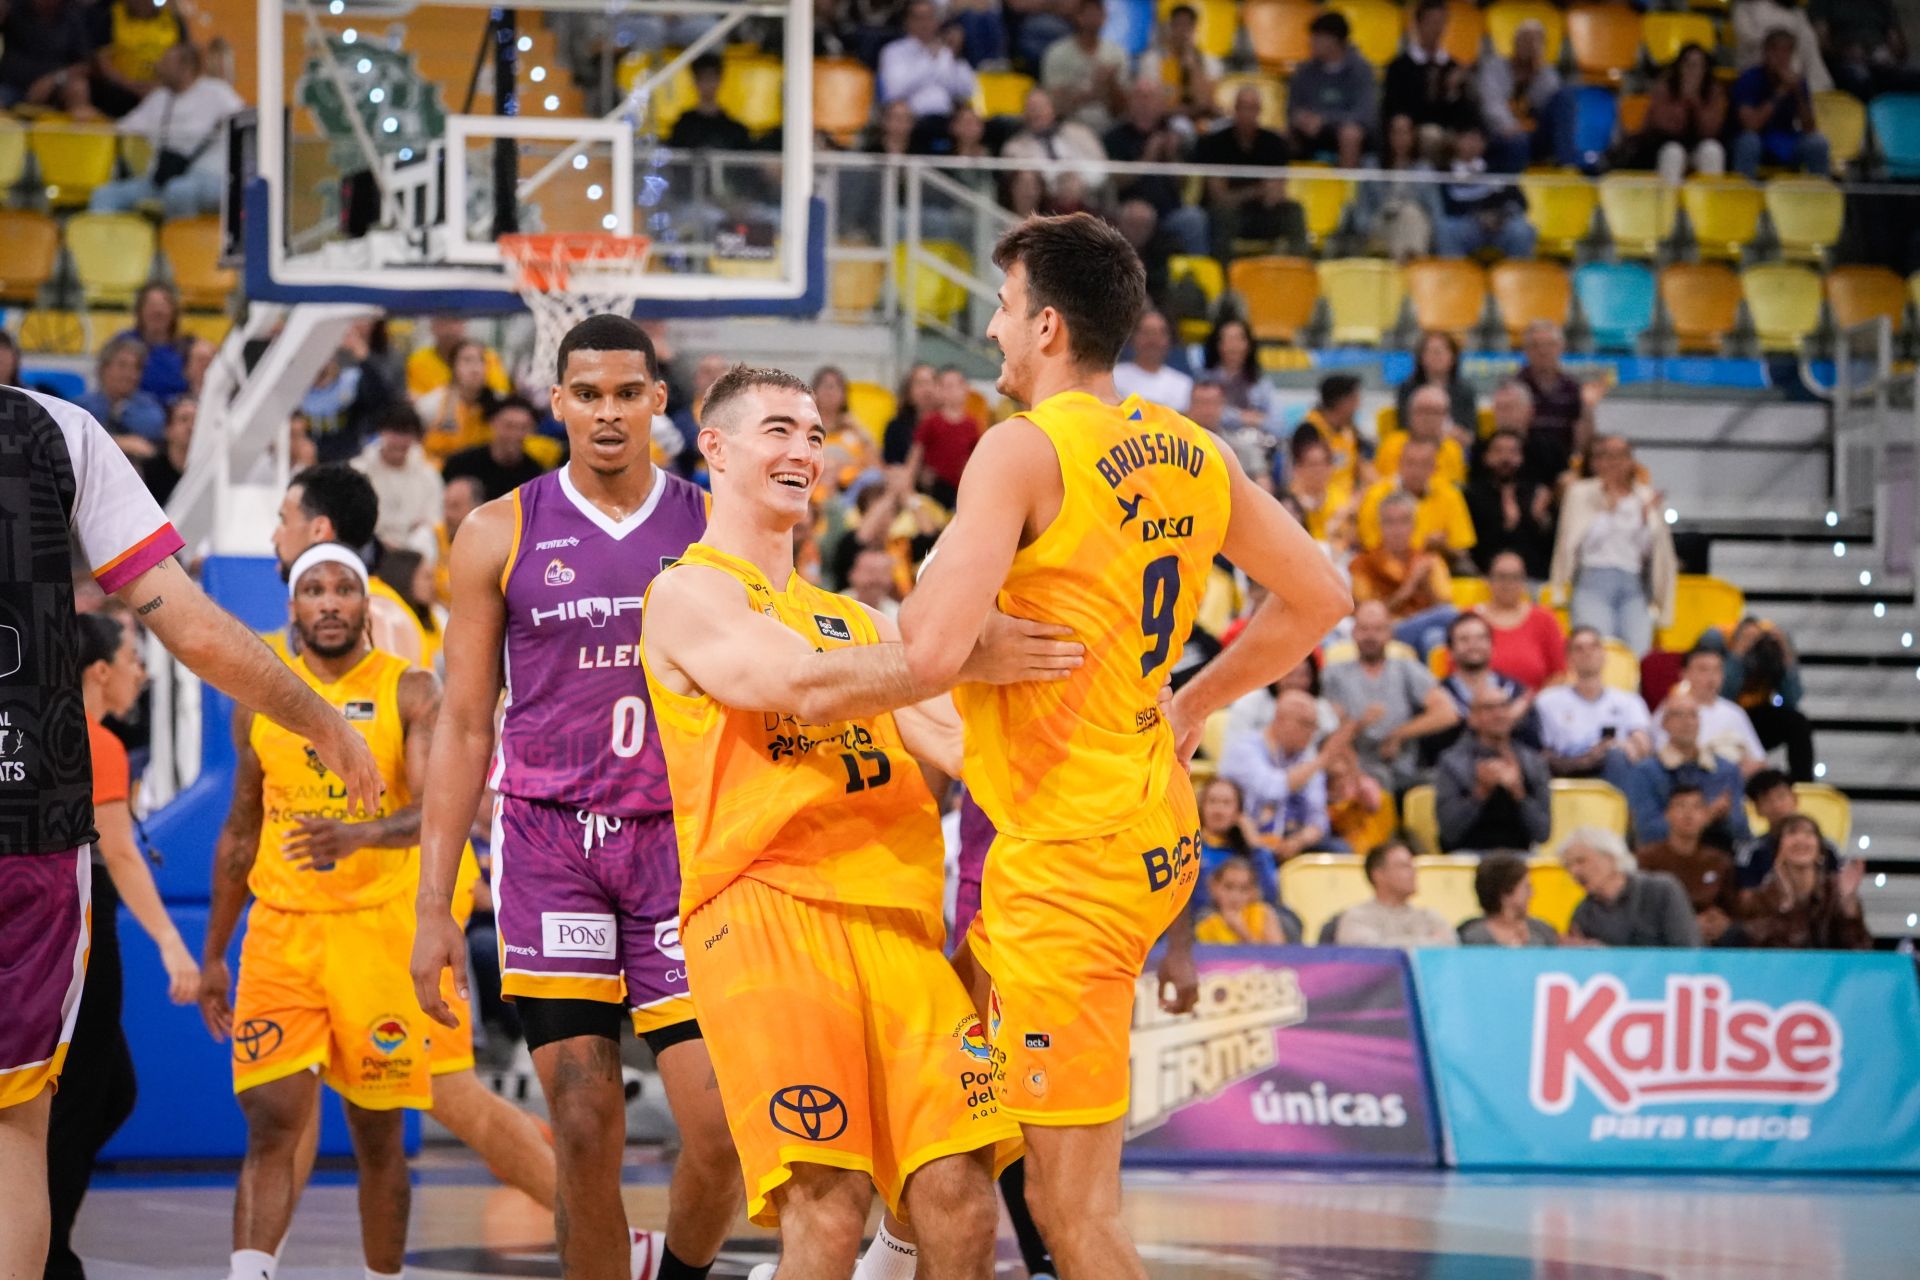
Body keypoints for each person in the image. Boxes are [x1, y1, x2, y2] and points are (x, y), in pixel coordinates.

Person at [896, 213, 1351, 1278]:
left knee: (1074, 1213)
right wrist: (1193, 701)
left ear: (1047, 325)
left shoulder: (1020, 447)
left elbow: (925, 650)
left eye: (1004, 310)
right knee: (970, 1103)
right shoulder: (1194, 447)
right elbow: (1318, 595)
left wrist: (922, 627)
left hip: (1074, 852)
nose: (993, 331)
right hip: (1141, 815)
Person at [641, 366, 1058, 1280]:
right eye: (780, 430)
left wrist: (1106, 721)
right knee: (826, 1211)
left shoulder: (861, 623)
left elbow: (968, 751)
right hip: (766, 915)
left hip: (899, 925)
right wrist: (958, 651)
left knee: (957, 1194)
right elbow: (794, 685)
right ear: (713, 448)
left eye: (818, 434)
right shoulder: (686, 594)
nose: (805, 450)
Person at [0, 384, 380, 1278]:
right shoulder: (52, 430)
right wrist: (320, 717)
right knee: (17, 1126)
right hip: (26, 822)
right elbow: (189, 626)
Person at [411, 316, 740, 1280]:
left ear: (659, 405)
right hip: (550, 848)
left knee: (721, 1133)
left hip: (682, 848)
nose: (606, 412)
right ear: (556, 401)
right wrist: (437, 905)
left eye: (626, 393)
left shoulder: (717, 525)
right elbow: (466, 725)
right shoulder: (496, 531)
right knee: (587, 1128)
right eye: (586, 394)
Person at [198, 547, 550, 1280]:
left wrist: (356, 835)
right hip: (283, 932)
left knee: (377, 1133)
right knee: (270, 1120)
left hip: (378, 935)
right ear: (292, 608)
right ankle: (249, 1270)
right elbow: (239, 830)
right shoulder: (260, 702)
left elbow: (437, 810)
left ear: (368, 606)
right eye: (314, 590)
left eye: (344, 590)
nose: (329, 602)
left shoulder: (409, 690)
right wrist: (212, 953)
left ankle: (380, 1276)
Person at [45, 612, 200, 1280]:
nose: (141, 671)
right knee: (82, 1103)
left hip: (48, 937)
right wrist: (172, 943)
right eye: (135, 657)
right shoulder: (97, 742)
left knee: (107, 1092)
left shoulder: (41, 737)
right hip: (84, 936)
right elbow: (121, 855)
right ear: (100, 672)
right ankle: (48, 1255)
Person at [1550, 434, 1675, 657]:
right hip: (1593, 581)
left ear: (1631, 461)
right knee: (1599, 650)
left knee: (1638, 653)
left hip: (1634, 585)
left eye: (1620, 456)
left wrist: (1644, 518)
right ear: (1597, 461)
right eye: (1607, 456)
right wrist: (1609, 511)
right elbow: (1576, 542)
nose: (1613, 462)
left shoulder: (1644, 496)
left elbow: (1649, 551)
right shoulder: (1580, 493)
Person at [88, 41, 242, 219]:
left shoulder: (217, 93)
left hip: (209, 177)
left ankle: (182, 244)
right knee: (105, 195)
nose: (159, 67)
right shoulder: (159, 98)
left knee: (179, 191)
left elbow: (244, 122)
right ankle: (107, 245)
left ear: (187, 67)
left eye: (166, 63)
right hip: (163, 177)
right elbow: (123, 128)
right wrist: (94, 116)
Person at [1323, 601, 1461, 792]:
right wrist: (1358, 725)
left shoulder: (1406, 668)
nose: (1370, 636)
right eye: (1364, 629)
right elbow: (1327, 731)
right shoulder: (1333, 674)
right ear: (1353, 632)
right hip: (1352, 772)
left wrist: (1398, 734)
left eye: (1378, 629)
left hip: (1403, 771)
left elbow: (1447, 713)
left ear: (1390, 633)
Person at [1220, 689, 1352, 863]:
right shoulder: (1245, 748)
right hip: (1246, 835)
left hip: (1291, 837)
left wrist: (1298, 841)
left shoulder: (1306, 758)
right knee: (1262, 856)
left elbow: (1318, 818)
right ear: (1280, 719)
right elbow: (1272, 788)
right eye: (1306, 724)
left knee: (1340, 850)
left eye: (1315, 725)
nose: (1312, 732)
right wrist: (1323, 759)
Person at [1434, 683, 1552, 854]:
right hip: (1468, 855)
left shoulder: (1533, 762)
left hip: (1518, 855)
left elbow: (1543, 833)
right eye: (1489, 708)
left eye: (1504, 706)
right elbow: (1449, 831)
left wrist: (1519, 794)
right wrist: (1480, 793)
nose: (1499, 714)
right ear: (1472, 718)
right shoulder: (1452, 763)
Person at [1628, 693, 1751, 850]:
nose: (1687, 722)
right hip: (1664, 860)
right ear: (1664, 723)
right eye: (1678, 715)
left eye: (1693, 715)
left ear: (1699, 722)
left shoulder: (1726, 769)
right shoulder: (1646, 771)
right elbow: (1647, 832)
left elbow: (1742, 830)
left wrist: (1725, 817)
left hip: (1720, 856)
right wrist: (1706, 816)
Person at [1536, 625, 1654, 786]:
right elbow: (1541, 754)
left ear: (1604, 655)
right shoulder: (1547, 701)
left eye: (1594, 646)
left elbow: (1643, 745)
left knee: (1618, 758)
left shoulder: (1629, 701)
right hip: (1570, 775)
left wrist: (1622, 747)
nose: (1587, 652)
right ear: (1568, 659)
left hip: (1616, 770)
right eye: (1579, 648)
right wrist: (1587, 760)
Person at [1194, 86, 1303, 258]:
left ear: (1259, 111)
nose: (1248, 113)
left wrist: (1260, 194)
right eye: (1243, 107)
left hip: (1263, 215)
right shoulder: (1215, 144)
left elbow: (1276, 192)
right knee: (1222, 216)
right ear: (1235, 110)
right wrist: (1257, 191)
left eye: (1253, 108)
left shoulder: (1274, 143)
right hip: (1231, 217)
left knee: (1294, 211)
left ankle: (1299, 270)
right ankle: (1223, 277)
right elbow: (1220, 197)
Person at [1105, 80, 1210, 257]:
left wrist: (1171, 156)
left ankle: (1195, 276)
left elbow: (1184, 184)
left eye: (1151, 98)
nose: (1144, 103)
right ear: (1130, 102)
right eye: (1139, 97)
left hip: (1167, 211)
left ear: (1162, 104)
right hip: (1128, 208)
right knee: (1138, 216)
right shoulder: (1115, 136)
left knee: (1194, 218)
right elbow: (1116, 182)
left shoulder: (1173, 134)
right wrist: (1147, 158)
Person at [1736, 814, 1871, 950]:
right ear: (1778, 851)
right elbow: (1766, 952)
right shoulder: (1761, 898)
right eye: (1792, 833)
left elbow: (1859, 949)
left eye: (1809, 834)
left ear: (1820, 853)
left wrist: (1848, 907)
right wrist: (1786, 905)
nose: (1800, 840)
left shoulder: (1835, 891)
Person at [1348, 491, 1457, 658]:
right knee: (1450, 615)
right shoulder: (1363, 564)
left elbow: (1443, 602)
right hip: (1385, 632)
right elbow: (1369, 616)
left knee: (1434, 637)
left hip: (1422, 628)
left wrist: (1426, 584)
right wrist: (1409, 587)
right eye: (1389, 522)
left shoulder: (1429, 561)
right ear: (1380, 526)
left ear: (1413, 525)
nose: (1397, 530)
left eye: (1403, 522)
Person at [1704, 617, 1814, 781]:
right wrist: (1738, 654)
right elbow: (1719, 696)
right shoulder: (1716, 638)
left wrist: (1785, 654)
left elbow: (1792, 699)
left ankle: (1803, 785)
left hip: (1755, 717)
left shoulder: (1776, 640)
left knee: (1797, 722)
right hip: (1719, 717)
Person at [1635, 785, 1741, 945]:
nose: (1688, 814)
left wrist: (1721, 922)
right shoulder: (1646, 858)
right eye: (1680, 806)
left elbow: (1731, 908)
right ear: (1667, 814)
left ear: (1706, 815)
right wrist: (1686, 924)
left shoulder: (1720, 861)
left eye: (1696, 807)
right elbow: (1640, 911)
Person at [1561, 828, 1701, 947]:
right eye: (1568, 866)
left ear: (1610, 858)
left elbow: (1687, 949)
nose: (1573, 872)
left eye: (1581, 861)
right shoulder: (1583, 914)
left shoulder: (1661, 891)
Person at [1355, 435, 1477, 564]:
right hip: (1386, 570)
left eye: (1424, 464)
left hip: (1439, 568)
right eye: (1411, 463)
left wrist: (1444, 547)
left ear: (1434, 468)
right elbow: (1370, 546)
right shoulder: (1376, 495)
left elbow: (1462, 549)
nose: (1416, 471)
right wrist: (1421, 550)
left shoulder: (1449, 494)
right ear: (1400, 463)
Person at [1381, 0, 1480, 155]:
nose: (1437, 28)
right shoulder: (1400, 66)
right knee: (1422, 132)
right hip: (1413, 129)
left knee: (1471, 139)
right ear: (1418, 25)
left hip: (1448, 129)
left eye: (1441, 23)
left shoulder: (1453, 67)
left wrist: (1451, 92)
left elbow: (1464, 115)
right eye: (1431, 22)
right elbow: (1393, 108)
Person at [1731, 27, 1832, 179]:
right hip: (1758, 140)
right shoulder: (1749, 78)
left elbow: (1809, 128)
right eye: (1776, 51)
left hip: (1785, 139)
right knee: (1749, 141)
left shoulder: (1797, 82)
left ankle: (1820, 197)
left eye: (1786, 52)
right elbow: (1751, 125)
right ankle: (1743, 195)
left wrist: (1798, 93)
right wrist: (1781, 92)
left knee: (1817, 143)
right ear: (1765, 53)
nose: (1781, 57)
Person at [1620, 44, 1729, 184]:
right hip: (1662, 145)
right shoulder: (1664, 87)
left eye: (1697, 65)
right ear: (1679, 66)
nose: (1692, 70)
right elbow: (1662, 125)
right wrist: (1683, 101)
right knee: (1674, 152)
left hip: (1697, 145)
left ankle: (1709, 202)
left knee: (1712, 150)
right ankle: (1669, 203)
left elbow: (1712, 129)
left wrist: (1696, 102)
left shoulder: (1714, 91)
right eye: (1688, 64)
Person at [1478, 18, 1574, 171]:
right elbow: (1491, 104)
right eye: (1526, 39)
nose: (1530, 45)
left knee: (1565, 96)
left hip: (1534, 136)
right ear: (1515, 42)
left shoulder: (1546, 74)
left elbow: (1551, 108)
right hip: (1502, 134)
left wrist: (1535, 73)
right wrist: (1510, 126)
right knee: (1517, 141)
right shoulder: (1495, 68)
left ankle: (1568, 164)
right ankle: (1513, 192)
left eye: (1536, 41)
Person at [1656, 645, 1767, 774]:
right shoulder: (1671, 708)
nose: (1711, 677)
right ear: (1684, 673)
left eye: (1717, 670)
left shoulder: (1734, 713)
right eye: (1703, 670)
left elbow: (1759, 760)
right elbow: (1662, 756)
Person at [352, 404, 445, 557]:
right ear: (381, 432)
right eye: (395, 432)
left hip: (412, 552)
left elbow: (433, 520)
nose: (400, 441)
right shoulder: (359, 471)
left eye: (406, 433)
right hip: (372, 546)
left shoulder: (429, 474)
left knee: (425, 537)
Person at [1287, 11, 1376, 169]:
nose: (1310, 42)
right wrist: (1301, 118)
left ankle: (1348, 189)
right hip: (1310, 132)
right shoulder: (1304, 71)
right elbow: (1292, 107)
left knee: (1350, 134)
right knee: (1282, 136)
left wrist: (1325, 120)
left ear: (1333, 41)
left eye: (1316, 37)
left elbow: (1364, 114)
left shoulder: (1361, 70)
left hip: (1344, 133)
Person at [1001, 86, 1111, 214]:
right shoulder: (1014, 147)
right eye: (1031, 108)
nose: (1036, 112)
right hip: (1044, 207)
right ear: (1023, 114)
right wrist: (1059, 182)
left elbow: (1103, 168)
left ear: (1052, 109)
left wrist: (1080, 180)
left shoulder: (1081, 133)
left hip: (1086, 198)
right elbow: (1025, 182)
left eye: (1041, 107)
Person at [1434, 125, 1537, 259]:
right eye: (1468, 139)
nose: (1472, 144)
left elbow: (1521, 202)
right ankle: (1454, 275)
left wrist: (1500, 215)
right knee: (1446, 228)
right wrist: (1478, 216)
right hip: (1467, 224)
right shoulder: (1445, 172)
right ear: (1457, 142)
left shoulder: (1497, 169)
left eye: (1477, 140)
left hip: (1500, 224)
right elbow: (1446, 207)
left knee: (1522, 230)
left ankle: (1517, 277)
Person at [1515, 321, 1600, 482]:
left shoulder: (1574, 388)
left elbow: (1582, 441)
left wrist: (1588, 409)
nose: (1543, 351)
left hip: (1564, 463)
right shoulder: (1514, 385)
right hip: (1524, 464)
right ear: (1525, 350)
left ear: (1561, 348)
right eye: (1535, 345)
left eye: (1549, 345)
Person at [1333, 841, 1458, 949]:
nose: (1413, 873)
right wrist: (1430, 942)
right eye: (1404, 866)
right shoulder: (1357, 918)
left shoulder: (1429, 917)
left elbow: (1451, 947)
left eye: (1412, 866)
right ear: (1378, 875)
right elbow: (1375, 955)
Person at [1467, 435, 1556, 583]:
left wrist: (1542, 519)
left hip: (1533, 577)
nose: (1506, 458)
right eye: (1498, 451)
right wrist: (1506, 524)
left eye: (1513, 452)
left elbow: (1550, 543)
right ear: (1486, 457)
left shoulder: (1537, 493)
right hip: (1486, 577)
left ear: (1522, 457)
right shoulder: (1472, 495)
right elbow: (1471, 543)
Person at [1734, 768, 1840, 889]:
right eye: (1767, 800)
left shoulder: (1825, 847)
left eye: (1781, 796)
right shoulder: (1751, 851)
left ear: (1795, 799)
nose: (1777, 805)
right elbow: (1746, 895)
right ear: (1757, 809)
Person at [1355, 112, 1440, 259]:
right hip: (1380, 223)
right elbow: (1363, 208)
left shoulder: (1424, 169)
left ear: (1413, 136)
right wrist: (1367, 231)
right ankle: (1407, 265)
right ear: (1388, 135)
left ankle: (1404, 264)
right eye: (1396, 132)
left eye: (1405, 133)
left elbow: (1434, 209)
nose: (1400, 139)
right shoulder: (1371, 165)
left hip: (1413, 226)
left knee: (1410, 214)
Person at [439, 395, 557, 500]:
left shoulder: (535, 475)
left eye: (523, 427)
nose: (515, 434)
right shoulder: (460, 465)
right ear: (493, 424)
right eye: (508, 426)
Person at [1477, 551, 1565, 689]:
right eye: (1501, 576)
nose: (1508, 583)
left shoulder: (1545, 619)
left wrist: (1533, 705)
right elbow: (1456, 672)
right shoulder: (1471, 618)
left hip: (1535, 705)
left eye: (1515, 577)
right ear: (1489, 580)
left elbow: (1560, 673)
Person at [878, 0, 978, 118]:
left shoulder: (946, 50)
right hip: (911, 119)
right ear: (907, 21)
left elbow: (968, 90)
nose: (925, 23)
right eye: (919, 18)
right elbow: (893, 91)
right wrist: (929, 60)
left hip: (946, 118)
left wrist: (955, 56)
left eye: (929, 17)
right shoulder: (894, 51)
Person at [1040, 0, 1128, 130]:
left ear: (1105, 17)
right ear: (1077, 16)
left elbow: (1122, 110)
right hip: (1068, 127)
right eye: (1088, 13)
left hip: (1109, 128)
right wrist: (1090, 93)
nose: (1093, 18)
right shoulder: (1057, 53)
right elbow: (1054, 106)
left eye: (1098, 13)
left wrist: (1111, 84)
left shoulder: (1116, 53)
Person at [86, 0, 185, 117]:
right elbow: (102, 61)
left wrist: (159, 85)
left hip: (162, 90)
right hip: (119, 92)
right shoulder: (109, 16)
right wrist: (131, 85)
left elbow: (184, 56)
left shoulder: (173, 19)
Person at [0, 0, 99, 115]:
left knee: (78, 86)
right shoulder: (13, 8)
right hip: (11, 86)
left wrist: (55, 79)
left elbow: (86, 64)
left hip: (55, 88)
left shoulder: (75, 15)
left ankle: (80, 129)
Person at [413, 337, 500, 465]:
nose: (475, 368)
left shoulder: (500, 404)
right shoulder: (431, 404)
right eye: (467, 360)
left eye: (482, 361)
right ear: (453, 366)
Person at [77, 337, 166, 457]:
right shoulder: (81, 406)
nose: (130, 374)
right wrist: (118, 442)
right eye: (122, 365)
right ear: (104, 369)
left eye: (136, 368)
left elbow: (152, 432)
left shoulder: (150, 407)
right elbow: (76, 439)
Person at [909, 366, 982, 509]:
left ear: (965, 389)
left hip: (960, 488)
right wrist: (910, 487)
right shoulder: (931, 422)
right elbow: (915, 457)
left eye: (956, 385)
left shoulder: (972, 425)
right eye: (947, 386)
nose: (952, 391)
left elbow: (975, 458)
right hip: (935, 488)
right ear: (939, 390)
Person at [1137, 2, 1219, 127]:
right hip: (1162, 122)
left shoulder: (1209, 61)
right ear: (1169, 27)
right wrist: (1185, 111)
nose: (1182, 31)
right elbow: (1151, 104)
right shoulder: (1152, 60)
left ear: (1195, 29)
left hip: (1201, 122)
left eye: (1187, 25)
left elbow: (1206, 102)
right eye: (1178, 25)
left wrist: (1192, 67)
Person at [1375, 383, 1469, 490]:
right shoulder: (1392, 443)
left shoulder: (1453, 449)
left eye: (1435, 412)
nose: (1428, 418)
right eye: (1422, 411)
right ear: (1410, 413)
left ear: (1446, 416)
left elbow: (1456, 489)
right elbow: (1380, 485)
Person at [1297, 372, 1372, 501]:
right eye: (1354, 399)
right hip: (1319, 502)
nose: (1358, 406)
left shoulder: (1350, 431)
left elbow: (1363, 467)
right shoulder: (1310, 431)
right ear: (1340, 402)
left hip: (1348, 502)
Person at [1200, 317, 1279, 438]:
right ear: (1218, 345)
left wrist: (1228, 414)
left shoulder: (1261, 383)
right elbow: (1203, 415)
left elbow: (1277, 424)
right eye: (1228, 339)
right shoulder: (1205, 380)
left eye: (1238, 339)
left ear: (1248, 345)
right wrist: (1243, 417)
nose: (1233, 346)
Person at [1395, 331, 1478, 446]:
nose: (1436, 357)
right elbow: (1404, 427)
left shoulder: (1465, 391)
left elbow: (1470, 434)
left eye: (1440, 352)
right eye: (1430, 352)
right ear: (1421, 358)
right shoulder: (1407, 389)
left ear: (1453, 357)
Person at [114, 282, 191, 404]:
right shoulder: (123, 343)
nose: (158, 311)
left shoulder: (188, 346)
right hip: (134, 410)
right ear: (140, 311)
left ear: (173, 311)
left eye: (163, 305)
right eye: (151, 305)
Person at [1458, 854, 1559, 946]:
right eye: (1527, 887)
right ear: (1505, 893)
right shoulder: (1469, 937)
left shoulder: (1543, 932)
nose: (1532, 894)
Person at [403, 316, 513, 401]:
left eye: (455, 321)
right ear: (432, 326)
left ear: (464, 324)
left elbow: (500, 393)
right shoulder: (417, 360)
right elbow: (416, 398)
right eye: (443, 322)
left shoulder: (487, 356)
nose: (449, 329)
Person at [1194, 856, 1296, 945]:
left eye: (1244, 889)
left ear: (1253, 891)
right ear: (1214, 886)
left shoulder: (1263, 914)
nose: (1235, 897)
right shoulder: (1204, 920)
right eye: (1228, 887)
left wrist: (1242, 932)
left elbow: (1278, 957)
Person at [666, 53, 751, 150]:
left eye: (712, 78)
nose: (708, 85)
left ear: (720, 80)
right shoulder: (683, 127)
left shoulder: (734, 130)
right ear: (695, 82)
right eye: (703, 79)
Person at [1113, 309, 1194, 411]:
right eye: (1146, 332)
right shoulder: (1114, 377)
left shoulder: (1184, 384)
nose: (1153, 340)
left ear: (1169, 339)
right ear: (1133, 337)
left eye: (1159, 333)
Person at [141, 393, 196, 508]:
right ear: (168, 430)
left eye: (196, 421)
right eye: (184, 420)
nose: (191, 427)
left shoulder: (209, 467)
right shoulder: (149, 472)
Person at [882, 361, 937, 471]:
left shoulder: (954, 424)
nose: (927, 389)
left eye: (932, 382)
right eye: (920, 384)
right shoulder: (896, 427)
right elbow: (891, 465)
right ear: (908, 392)